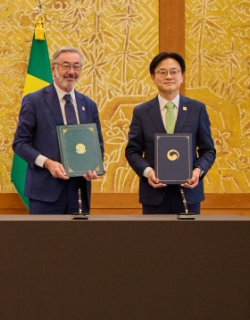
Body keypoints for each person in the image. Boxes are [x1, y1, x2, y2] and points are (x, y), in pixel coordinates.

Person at [12, 46, 104, 214]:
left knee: (78, 233)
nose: (71, 72)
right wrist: (48, 163)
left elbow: (97, 144)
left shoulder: (89, 105)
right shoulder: (34, 101)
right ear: (54, 69)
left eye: (76, 66)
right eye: (66, 66)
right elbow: (20, 143)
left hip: (79, 193)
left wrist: (94, 166)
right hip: (45, 193)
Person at [125, 52, 216, 214]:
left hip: (189, 193)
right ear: (153, 77)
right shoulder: (141, 112)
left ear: (181, 76)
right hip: (154, 195)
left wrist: (197, 171)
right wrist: (148, 172)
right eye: (162, 72)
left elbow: (208, 150)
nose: (169, 76)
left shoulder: (197, 109)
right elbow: (132, 151)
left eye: (174, 71)